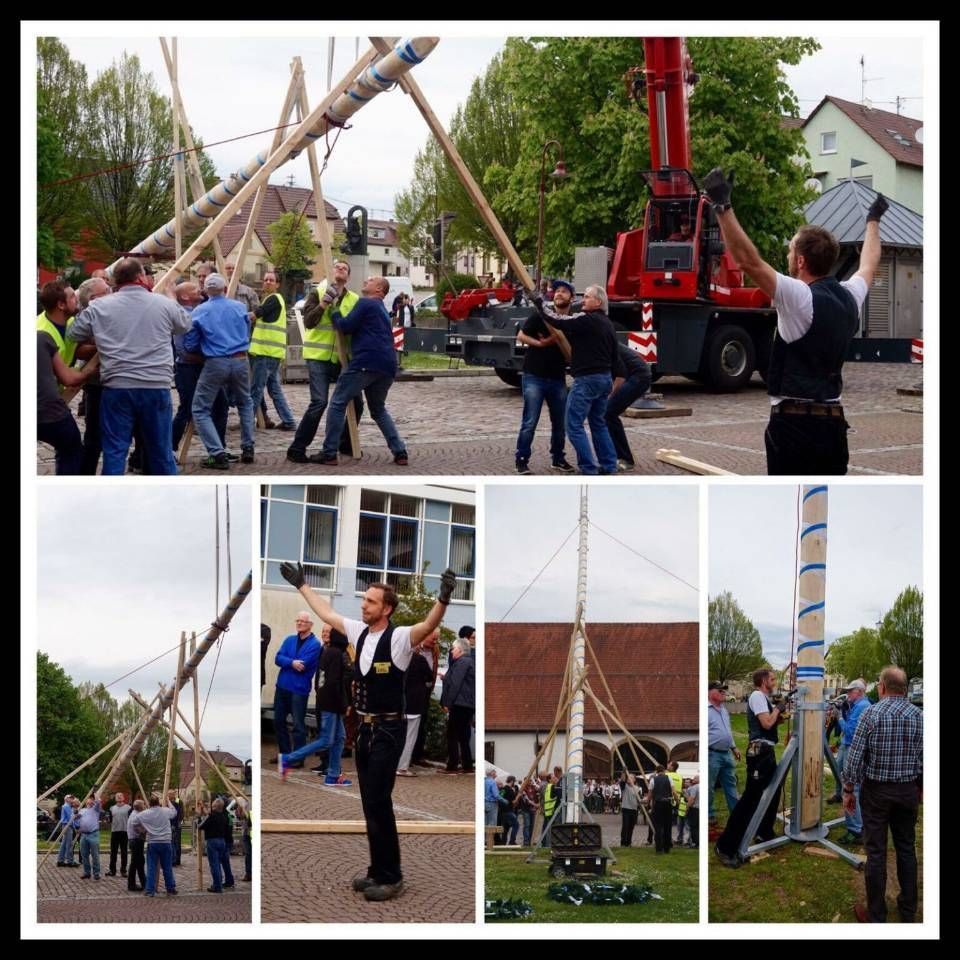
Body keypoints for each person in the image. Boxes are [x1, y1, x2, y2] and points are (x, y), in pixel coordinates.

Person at [278, 559, 456, 902]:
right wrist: (301, 585)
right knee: (369, 803)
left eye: (370, 601)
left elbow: (429, 623)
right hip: (365, 729)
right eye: (364, 600)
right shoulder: (359, 632)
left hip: (390, 728)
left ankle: (392, 876)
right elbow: (326, 613)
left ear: (386, 608)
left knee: (379, 800)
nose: (363, 604)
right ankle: (377, 870)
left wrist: (444, 598)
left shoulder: (401, 637)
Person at [702, 167, 888, 475]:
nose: (789, 254)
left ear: (800, 261)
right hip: (833, 426)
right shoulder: (850, 296)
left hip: (795, 426)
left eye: (791, 249)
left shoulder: (799, 296)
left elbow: (749, 261)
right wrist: (873, 220)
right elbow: (869, 262)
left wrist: (723, 206)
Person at [67, 257, 191, 475]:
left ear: (116, 280)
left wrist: (104, 334)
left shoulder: (100, 306)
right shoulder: (162, 303)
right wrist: (171, 297)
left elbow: (74, 333)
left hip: (117, 386)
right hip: (155, 386)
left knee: (114, 451)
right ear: (141, 276)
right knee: (161, 453)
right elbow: (185, 325)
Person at [843, 666, 922, 924]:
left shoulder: (872, 714)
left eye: (878, 684)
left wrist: (847, 790)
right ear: (904, 689)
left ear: (883, 687)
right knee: (906, 849)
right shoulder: (920, 716)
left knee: (876, 853)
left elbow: (854, 758)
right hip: (907, 791)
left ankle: (877, 916)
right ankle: (908, 910)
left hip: (876, 792)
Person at [312, 276, 409, 467]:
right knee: (378, 410)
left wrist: (334, 311)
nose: (367, 280)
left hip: (366, 361)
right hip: (387, 366)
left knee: (338, 403)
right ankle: (400, 451)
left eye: (371, 280)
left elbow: (345, 326)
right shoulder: (380, 309)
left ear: (379, 290)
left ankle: (329, 452)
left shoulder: (366, 303)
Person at [535, 285, 618, 475]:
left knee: (573, 425)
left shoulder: (586, 319)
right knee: (598, 423)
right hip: (604, 378)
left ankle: (588, 468)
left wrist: (540, 304)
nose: (583, 300)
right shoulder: (607, 323)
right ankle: (609, 465)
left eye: (587, 297)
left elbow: (557, 320)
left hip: (587, 379)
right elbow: (615, 355)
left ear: (598, 302)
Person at [286, 260, 360, 463]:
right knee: (319, 402)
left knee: (357, 402)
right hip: (318, 357)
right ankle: (297, 448)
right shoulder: (318, 292)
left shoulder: (353, 299)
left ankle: (344, 443)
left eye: (345, 268)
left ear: (349, 276)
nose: (341, 269)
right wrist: (323, 304)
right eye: (337, 266)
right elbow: (308, 321)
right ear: (330, 271)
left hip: (341, 358)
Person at [715, 668, 790, 866]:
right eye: (772, 679)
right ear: (763, 680)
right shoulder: (757, 696)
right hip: (759, 753)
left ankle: (765, 832)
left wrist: (779, 716)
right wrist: (777, 709)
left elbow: (770, 723)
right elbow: (766, 724)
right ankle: (725, 846)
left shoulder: (763, 698)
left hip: (766, 752)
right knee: (750, 798)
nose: (774, 682)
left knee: (772, 793)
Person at [181, 272, 257, 468]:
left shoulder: (199, 311)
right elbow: (246, 330)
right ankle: (248, 447)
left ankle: (217, 453)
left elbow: (189, 343)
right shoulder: (240, 307)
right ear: (225, 289)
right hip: (241, 359)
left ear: (206, 290)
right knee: (245, 403)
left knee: (200, 408)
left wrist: (204, 347)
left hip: (216, 362)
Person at [514, 277, 575, 475]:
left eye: (564, 291)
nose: (558, 293)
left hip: (557, 378)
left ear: (572, 298)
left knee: (560, 423)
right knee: (530, 421)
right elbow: (521, 336)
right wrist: (540, 343)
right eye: (556, 291)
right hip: (534, 375)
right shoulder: (541, 316)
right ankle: (521, 460)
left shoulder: (572, 323)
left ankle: (558, 459)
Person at [279, 626, 354, 786]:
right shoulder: (335, 654)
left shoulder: (329, 652)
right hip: (331, 703)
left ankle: (333, 775)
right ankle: (288, 758)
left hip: (329, 701)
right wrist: (343, 704)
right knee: (326, 740)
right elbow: (334, 683)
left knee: (339, 738)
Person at [37, 280, 98, 474]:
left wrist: (99, 346)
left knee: (66, 447)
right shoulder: (42, 332)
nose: (77, 298)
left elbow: (76, 349)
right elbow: (67, 377)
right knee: (70, 447)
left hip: (53, 397)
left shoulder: (70, 322)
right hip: (45, 402)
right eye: (72, 296)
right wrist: (90, 369)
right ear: (61, 305)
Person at [170, 280, 229, 455]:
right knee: (187, 409)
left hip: (205, 369)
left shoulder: (201, 312)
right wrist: (209, 357)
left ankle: (219, 449)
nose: (201, 290)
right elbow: (183, 351)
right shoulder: (182, 317)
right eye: (195, 289)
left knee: (221, 405)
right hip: (187, 370)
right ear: (185, 296)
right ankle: (170, 447)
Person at [247, 270, 298, 432]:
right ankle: (288, 421)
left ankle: (246, 423)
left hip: (266, 353)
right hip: (272, 353)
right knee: (274, 389)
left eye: (271, 280)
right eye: (266, 279)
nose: (268, 282)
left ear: (277, 284)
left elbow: (255, 315)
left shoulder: (274, 299)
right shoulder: (271, 299)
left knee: (255, 390)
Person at [271, 612, 322, 765]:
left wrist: (287, 662)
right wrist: (292, 663)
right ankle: (285, 755)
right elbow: (277, 658)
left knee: (298, 725)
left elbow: (304, 665)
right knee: (278, 721)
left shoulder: (315, 644)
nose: (300, 623)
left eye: (303, 621)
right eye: (298, 620)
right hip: (282, 687)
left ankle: (298, 758)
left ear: (310, 624)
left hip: (298, 689)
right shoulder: (289, 640)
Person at [74, 276, 112, 474]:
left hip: (117, 382)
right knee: (94, 436)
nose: (111, 292)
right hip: (96, 384)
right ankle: (86, 474)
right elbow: (77, 349)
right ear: (94, 297)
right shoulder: (84, 316)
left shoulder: (114, 311)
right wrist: (102, 345)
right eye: (107, 290)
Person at [834, 677, 871, 845]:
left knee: (851, 788)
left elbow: (850, 732)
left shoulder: (862, 707)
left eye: (851, 691)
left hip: (853, 749)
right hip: (847, 747)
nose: (847, 694)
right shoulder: (857, 705)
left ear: (860, 692)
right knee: (850, 785)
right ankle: (858, 824)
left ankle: (855, 830)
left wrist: (839, 716)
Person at [605, 342, 652, 471]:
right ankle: (618, 455)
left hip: (638, 377)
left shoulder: (607, 346)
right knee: (608, 414)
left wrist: (610, 396)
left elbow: (620, 376)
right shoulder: (606, 341)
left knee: (609, 414)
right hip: (635, 376)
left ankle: (625, 459)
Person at [396, 634, 437, 777]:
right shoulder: (419, 660)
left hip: (400, 703)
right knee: (410, 736)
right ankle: (402, 766)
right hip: (415, 704)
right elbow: (430, 676)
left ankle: (394, 763)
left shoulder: (399, 659)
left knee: (398, 734)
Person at [707, 681, 741, 825]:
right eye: (720, 691)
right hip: (712, 754)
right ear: (710, 692)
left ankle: (736, 813)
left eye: (724, 691)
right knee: (709, 786)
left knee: (731, 783)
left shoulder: (724, 710)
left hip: (726, 753)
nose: (723, 693)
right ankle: (709, 814)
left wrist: (733, 747)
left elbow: (727, 731)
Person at [440, 637, 475, 774]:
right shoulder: (469, 662)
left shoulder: (461, 662)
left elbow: (456, 683)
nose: (451, 651)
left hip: (460, 703)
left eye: (453, 648)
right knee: (463, 735)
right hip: (468, 704)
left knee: (452, 734)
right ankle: (467, 765)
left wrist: (448, 703)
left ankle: (452, 765)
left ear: (460, 650)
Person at [137, 793, 179, 896]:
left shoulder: (146, 813)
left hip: (153, 842)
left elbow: (135, 820)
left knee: (151, 867)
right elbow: (174, 812)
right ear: (159, 802)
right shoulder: (165, 811)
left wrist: (142, 828)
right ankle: (170, 888)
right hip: (165, 842)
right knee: (167, 866)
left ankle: (150, 890)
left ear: (149, 803)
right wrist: (168, 801)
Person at [198, 797, 235, 893]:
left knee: (214, 864)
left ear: (214, 807)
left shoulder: (212, 816)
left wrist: (199, 820)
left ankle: (217, 886)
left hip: (212, 841)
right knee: (219, 863)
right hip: (222, 841)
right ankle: (220, 883)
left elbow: (201, 826)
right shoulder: (223, 816)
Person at [72, 794, 103, 879]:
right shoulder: (82, 810)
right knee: (84, 855)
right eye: (88, 800)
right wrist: (76, 825)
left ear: (93, 802)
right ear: (85, 802)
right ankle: (87, 872)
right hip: (84, 835)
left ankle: (96, 873)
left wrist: (96, 793)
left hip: (93, 834)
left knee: (95, 855)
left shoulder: (96, 810)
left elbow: (99, 801)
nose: (89, 801)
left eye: (91, 800)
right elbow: (76, 820)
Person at [650, 765, 675, 853]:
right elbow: (673, 791)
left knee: (658, 826)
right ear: (664, 771)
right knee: (667, 826)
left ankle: (659, 849)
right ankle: (667, 848)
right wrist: (677, 800)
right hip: (667, 803)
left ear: (656, 771)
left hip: (658, 804)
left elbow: (650, 794)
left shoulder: (653, 779)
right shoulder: (669, 778)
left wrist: (647, 801)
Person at [107, 792, 131, 877]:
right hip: (115, 832)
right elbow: (110, 820)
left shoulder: (129, 808)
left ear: (123, 798)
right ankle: (112, 870)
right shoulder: (111, 808)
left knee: (124, 852)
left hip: (125, 832)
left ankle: (123, 871)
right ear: (115, 798)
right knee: (113, 852)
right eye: (117, 796)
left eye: (121, 796)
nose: (119, 797)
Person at [126, 799, 147, 891]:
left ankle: (143, 883)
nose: (145, 806)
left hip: (134, 841)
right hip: (136, 841)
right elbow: (139, 829)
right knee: (136, 863)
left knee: (138, 863)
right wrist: (145, 831)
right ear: (140, 807)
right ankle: (132, 885)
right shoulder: (137, 816)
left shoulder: (134, 814)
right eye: (144, 805)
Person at [619, 773, 641, 847]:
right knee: (625, 826)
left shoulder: (637, 788)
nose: (629, 778)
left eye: (631, 777)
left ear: (634, 780)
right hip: (626, 809)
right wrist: (624, 772)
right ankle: (623, 842)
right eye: (628, 777)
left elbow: (639, 799)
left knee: (631, 827)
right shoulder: (625, 786)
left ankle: (628, 842)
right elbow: (622, 781)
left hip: (634, 810)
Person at [56, 794, 77, 866]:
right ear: (66, 799)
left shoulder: (67, 806)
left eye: (72, 798)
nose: (72, 799)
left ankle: (60, 860)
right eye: (70, 798)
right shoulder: (66, 806)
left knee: (64, 844)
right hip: (68, 826)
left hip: (66, 826)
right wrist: (76, 815)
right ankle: (70, 861)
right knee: (69, 844)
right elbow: (70, 817)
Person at [167, 789, 184, 866]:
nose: (170, 795)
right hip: (169, 824)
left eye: (172, 794)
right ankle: (172, 859)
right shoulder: (167, 801)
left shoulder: (177, 801)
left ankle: (177, 860)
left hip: (176, 824)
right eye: (169, 794)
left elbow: (180, 812)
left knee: (176, 842)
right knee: (172, 842)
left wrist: (179, 821)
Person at [685, 776, 700, 848]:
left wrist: (687, 808)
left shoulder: (695, 787)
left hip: (695, 809)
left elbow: (691, 799)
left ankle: (696, 843)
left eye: (694, 778)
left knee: (694, 827)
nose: (693, 780)